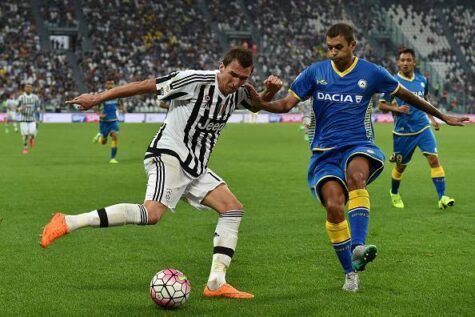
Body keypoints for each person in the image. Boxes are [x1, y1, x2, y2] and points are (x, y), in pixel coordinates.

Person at [40, 47, 283, 299]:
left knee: (232, 209)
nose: (236, 82)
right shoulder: (194, 81)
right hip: (169, 154)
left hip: (195, 166)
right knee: (151, 213)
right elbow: (144, 85)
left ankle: (216, 282)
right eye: (233, 75)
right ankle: (68, 221)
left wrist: (271, 91)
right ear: (221, 67)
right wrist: (98, 97)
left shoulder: (239, 91)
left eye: (243, 78)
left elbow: (257, 104)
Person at [245, 23, 468, 292]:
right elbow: (284, 105)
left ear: (353, 46)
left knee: (356, 176)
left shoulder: (371, 72)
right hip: (324, 153)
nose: (333, 52)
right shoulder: (315, 72)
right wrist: (261, 101)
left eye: (338, 47)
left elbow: (407, 94)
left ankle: (359, 245)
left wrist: (442, 115)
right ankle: (350, 271)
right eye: (329, 47)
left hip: (359, 145)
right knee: (334, 207)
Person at [378, 48, 454, 210]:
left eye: (408, 60)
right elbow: (381, 104)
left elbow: (424, 101)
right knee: (400, 166)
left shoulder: (421, 80)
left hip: (422, 127)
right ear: (398, 62)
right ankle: (394, 192)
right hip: (403, 132)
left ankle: (442, 197)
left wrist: (432, 119)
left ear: (414, 62)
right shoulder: (392, 81)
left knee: (434, 159)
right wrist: (397, 110)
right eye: (402, 60)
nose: (405, 63)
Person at [92, 80, 126, 163]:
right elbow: (94, 106)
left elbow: (121, 104)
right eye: (108, 83)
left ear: (114, 84)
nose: (110, 85)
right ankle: (100, 136)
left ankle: (112, 158)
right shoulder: (102, 95)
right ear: (105, 84)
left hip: (114, 120)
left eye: (111, 83)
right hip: (104, 122)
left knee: (114, 136)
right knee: (103, 142)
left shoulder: (117, 95)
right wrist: (99, 114)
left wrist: (123, 108)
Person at [17, 84, 41, 154]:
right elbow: (17, 107)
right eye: (27, 87)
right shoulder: (21, 97)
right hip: (23, 119)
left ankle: (32, 138)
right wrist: (19, 109)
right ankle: (25, 148)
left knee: (32, 132)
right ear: (24, 88)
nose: (28, 89)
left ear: (31, 89)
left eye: (29, 87)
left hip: (32, 118)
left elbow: (38, 106)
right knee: (25, 135)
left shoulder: (35, 97)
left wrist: (38, 111)